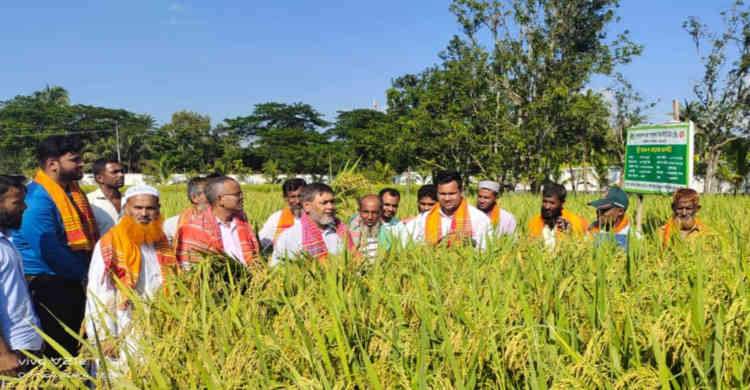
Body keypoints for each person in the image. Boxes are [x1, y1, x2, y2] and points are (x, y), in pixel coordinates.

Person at [13, 135, 98, 360]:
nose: (81, 164)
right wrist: (87, 276)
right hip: (49, 284)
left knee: (78, 347)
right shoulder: (37, 199)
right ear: (52, 164)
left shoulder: (72, 193)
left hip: (72, 280)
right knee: (60, 352)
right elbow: (50, 251)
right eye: (75, 160)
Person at [85, 185, 179, 376]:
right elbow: (99, 294)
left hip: (158, 325)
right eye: (138, 208)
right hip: (123, 327)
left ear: (158, 210)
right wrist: (104, 336)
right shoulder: (110, 243)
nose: (144, 213)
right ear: (126, 209)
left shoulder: (161, 243)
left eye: (150, 208)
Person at [0, 176, 43, 377]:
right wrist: (3, 354)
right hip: (10, 351)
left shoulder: (7, 241)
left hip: (24, 344)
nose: (24, 207)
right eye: (16, 202)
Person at [175, 176, 259, 266]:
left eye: (241, 193)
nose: (242, 197)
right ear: (220, 199)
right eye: (237, 194)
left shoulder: (242, 223)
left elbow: (255, 258)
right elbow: (189, 267)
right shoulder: (194, 230)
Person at [401, 171, 491, 249]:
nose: (447, 198)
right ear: (437, 193)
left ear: (462, 191)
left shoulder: (478, 218)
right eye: (442, 194)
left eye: (452, 194)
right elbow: (407, 245)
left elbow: (486, 249)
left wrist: (471, 243)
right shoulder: (424, 218)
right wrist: (438, 244)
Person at [270, 183, 354, 266]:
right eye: (324, 203)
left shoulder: (341, 230)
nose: (330, 207)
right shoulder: (290, 236)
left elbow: (354, 259)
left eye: (332, 202)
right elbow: (277, 268)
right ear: (307, 206)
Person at [527, 182, 588, 248]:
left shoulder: (575, 221)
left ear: (562, 203)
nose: (547, 207)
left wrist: (571, 232)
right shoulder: (534, 222)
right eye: (545, 201)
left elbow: (582, 245)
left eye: (552, 203)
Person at [258, 178, 306, 251]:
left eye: (300, 196)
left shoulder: (316, 216)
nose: (298, 201)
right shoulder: (276, 218)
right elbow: (262, 241)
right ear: (285, 198)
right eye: (293, 197)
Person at [162, 176, 209, 244]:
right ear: (194, 198)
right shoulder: (171, 224)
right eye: (208, 192)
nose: (215, 196)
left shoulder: (222, 222)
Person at [586, 186, 633, 251]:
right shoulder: (593, 228)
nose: (599, 212)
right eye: (598, 208)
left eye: (605, 209)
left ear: (620, 211)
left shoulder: (632, 237)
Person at [87, 159, 125, 237]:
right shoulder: (89, 202)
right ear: (100, 178)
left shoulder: (130, 200)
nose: (121, 175)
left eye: (122, 171)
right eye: (115, 172)